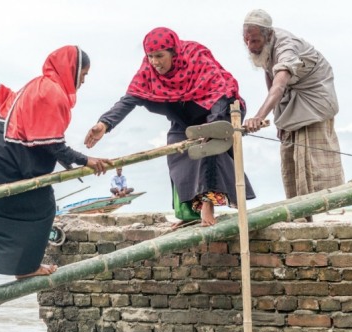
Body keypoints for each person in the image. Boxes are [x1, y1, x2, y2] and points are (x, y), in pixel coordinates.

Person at [0, 45, 111, 299]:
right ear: (73, 69)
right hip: (2, 157)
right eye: (84, 74)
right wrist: (85, 160)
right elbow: (53, 144)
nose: (83, 80)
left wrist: (77, 160)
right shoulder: (52, 92)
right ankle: (27, 268)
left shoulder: (39, 85)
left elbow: (40, 137)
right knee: (43, 206)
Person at [84, 27, 255, 227]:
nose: (155, 62)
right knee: (176, 146)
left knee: (207, 148)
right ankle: (187, 212)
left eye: (160, 56)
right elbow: (129, 99)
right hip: (185, 115)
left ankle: (208, 206)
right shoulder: (148, 71)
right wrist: (105, 123)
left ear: (174, 52)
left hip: (218, 108)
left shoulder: (196, 56)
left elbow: (221, 91)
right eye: (150, 56)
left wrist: (212, 125)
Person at [242, 9, 345, 217]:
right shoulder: (265, 47)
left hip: (315, 98)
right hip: (291, 99)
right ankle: (301, 215)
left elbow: (279, 87)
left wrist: (258, 117)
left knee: (313, 158)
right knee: (290, 155)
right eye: (247, 40)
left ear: (268, 35)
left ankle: (327, 214)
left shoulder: (287, 46)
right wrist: (278, 119)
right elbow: (269, 74)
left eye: (255, 41)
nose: (250, 46)